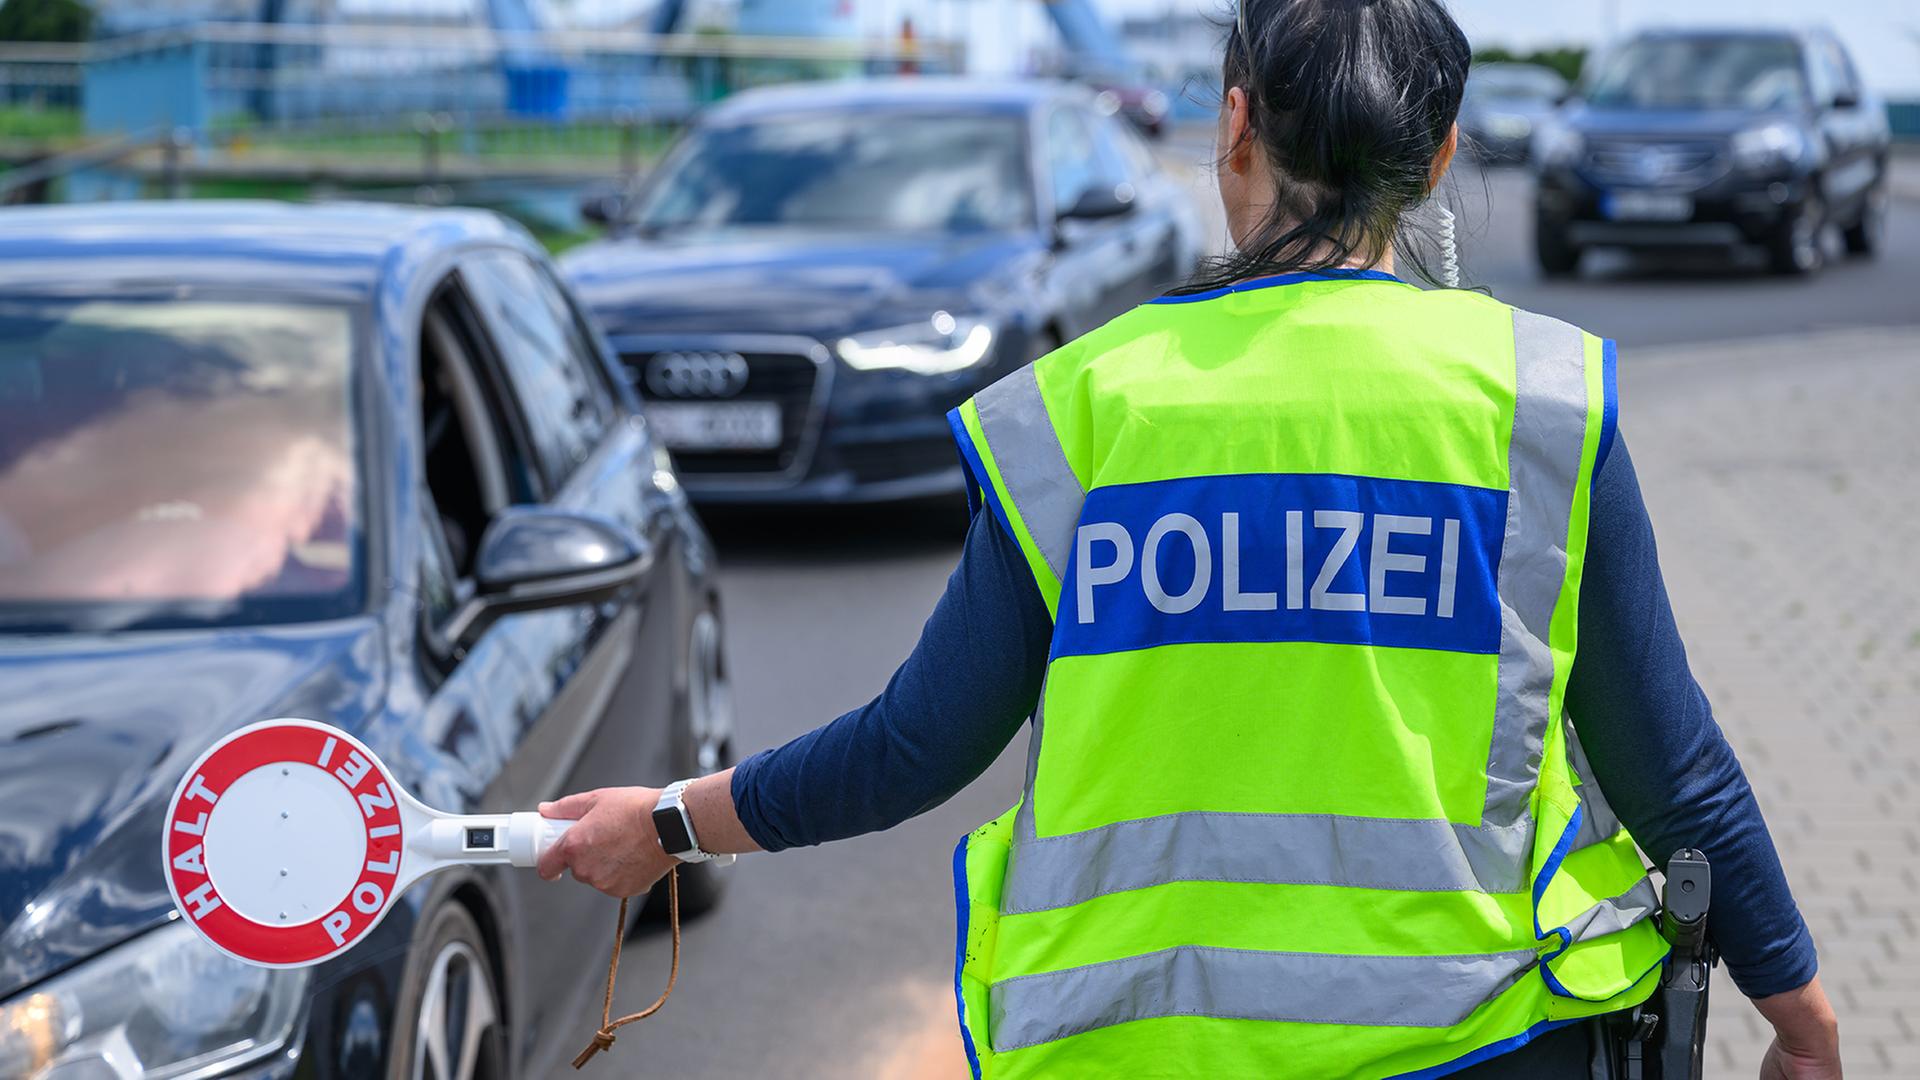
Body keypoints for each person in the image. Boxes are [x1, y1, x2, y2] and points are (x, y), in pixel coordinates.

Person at [537, 1, 1843, 1076]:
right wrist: (1804, 1013)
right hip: (1487, 1043)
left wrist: (668, 823)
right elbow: (1676, 770)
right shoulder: (1539, 401)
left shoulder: (1087, 406)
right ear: (1440, 157)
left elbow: (913, 746)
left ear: (1235, 130)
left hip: (1143, 1047)